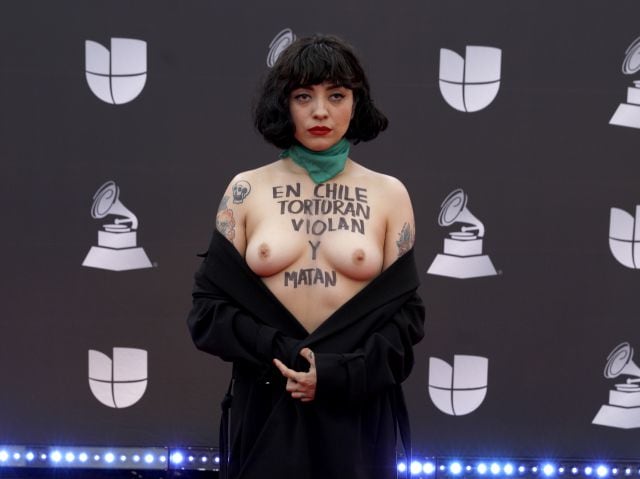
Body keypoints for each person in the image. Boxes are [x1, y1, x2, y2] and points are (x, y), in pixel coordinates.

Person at [187, 34, 425, 479]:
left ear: (356, 103)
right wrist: (287, 358)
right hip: (265, 401)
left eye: (336, 95)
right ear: (284, 105)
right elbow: (208, 315)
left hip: (355, 407)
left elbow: (404, 325)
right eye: (304, 96)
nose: (320, 111)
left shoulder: (390, 194)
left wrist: (335, 375)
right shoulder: (245, 190)